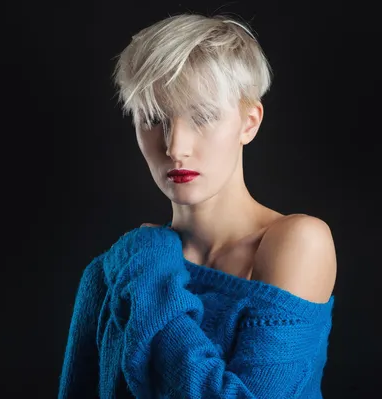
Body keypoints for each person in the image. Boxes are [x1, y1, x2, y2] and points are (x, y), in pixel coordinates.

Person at [58, 12, 337, 399]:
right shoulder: (111, 273)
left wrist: (150, 266)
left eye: (202, 116)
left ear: (249, 122)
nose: (175, 147)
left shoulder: (296, 242)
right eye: (154, 119)